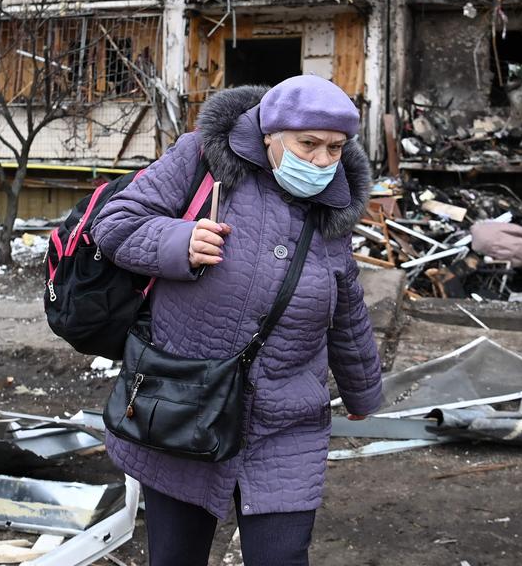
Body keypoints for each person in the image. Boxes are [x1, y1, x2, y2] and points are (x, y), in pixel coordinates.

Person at [92, 76, 383, 565]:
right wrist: (176, 242)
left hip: (286, 420)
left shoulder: (332, 205)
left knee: (282, 556)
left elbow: (346, 299)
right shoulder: (202, 159)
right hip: (185, 405)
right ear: (269, 133)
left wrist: (363, 390)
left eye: (335, 148)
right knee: (174, 558)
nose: (321, 161)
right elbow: (114, 223)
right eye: (307, 144)